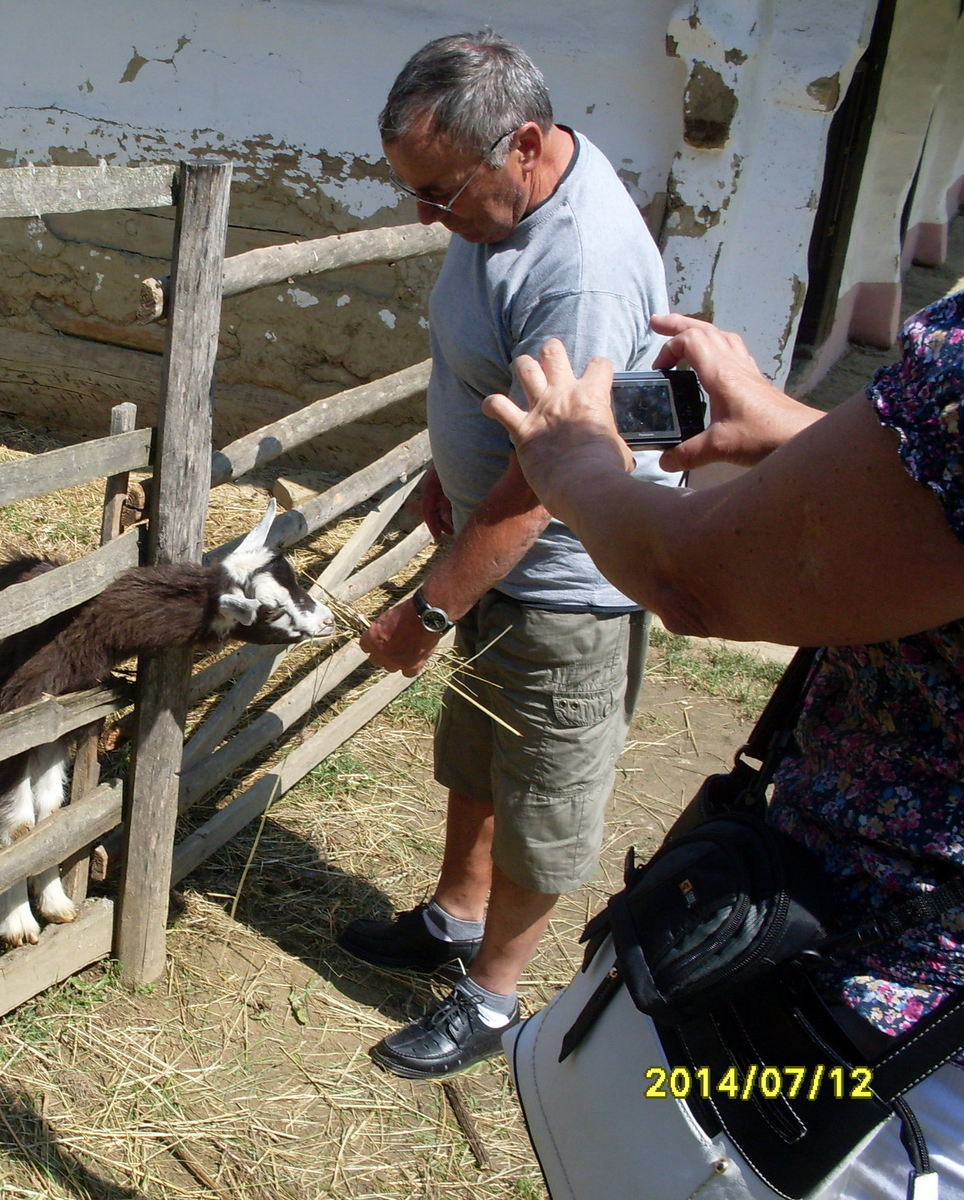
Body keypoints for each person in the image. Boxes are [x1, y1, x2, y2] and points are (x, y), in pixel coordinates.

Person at [484, 300, 964, 1195]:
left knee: (699, 1153)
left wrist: (573, 465)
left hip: (879, 1012)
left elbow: (691, 581)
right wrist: (802, 436)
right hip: (890, 999)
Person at [343, 29, 680, 1080]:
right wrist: (448, 469)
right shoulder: (499, 205)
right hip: (491, 551)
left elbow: (551, 475)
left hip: (566, 582)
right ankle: (454, 917)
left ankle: (493, 999)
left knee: (544, 786)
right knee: (480, 754)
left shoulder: (575, 270)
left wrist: (423, 612)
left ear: (522, 145)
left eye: (437, 193)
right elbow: (488, 377)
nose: (425, 216)